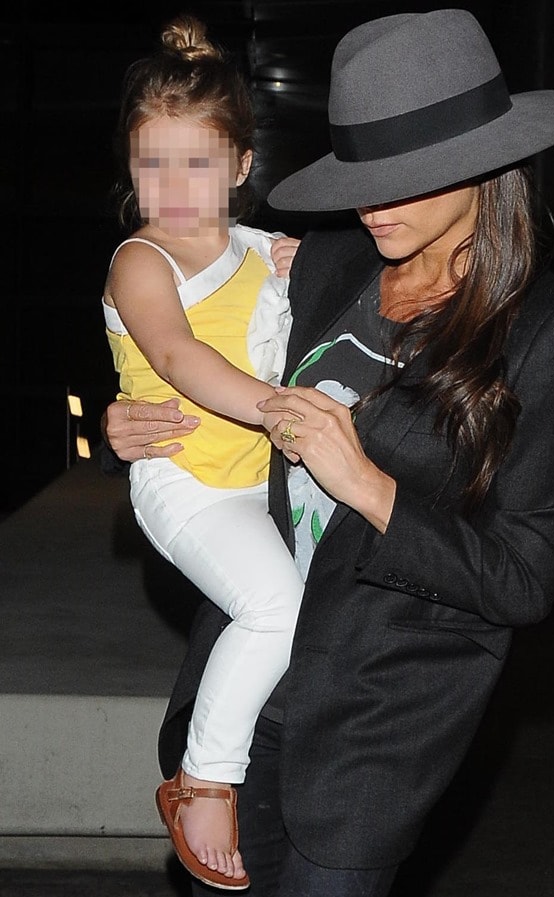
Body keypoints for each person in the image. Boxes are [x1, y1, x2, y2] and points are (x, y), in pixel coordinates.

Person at [104, 9, 554, 897]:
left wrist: (370, 488)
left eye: (405, 174)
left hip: (367, 742)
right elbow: (194, 339)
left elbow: (524, 579)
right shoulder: (325, 266)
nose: (374, 201)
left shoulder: (552, 335)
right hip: (241, 702)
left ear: (487, 166)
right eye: (361, 173)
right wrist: (130, 422)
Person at [101, 14, 302, 890]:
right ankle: (205, 777)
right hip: (187, 482)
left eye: (197, 162)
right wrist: (282, 411)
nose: (174, 185)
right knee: (275, 610)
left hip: (261, 483)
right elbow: (180, 358)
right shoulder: (139, 259)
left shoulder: (266, 251)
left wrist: (306, 278)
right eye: (153, 162)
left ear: (243, 166)